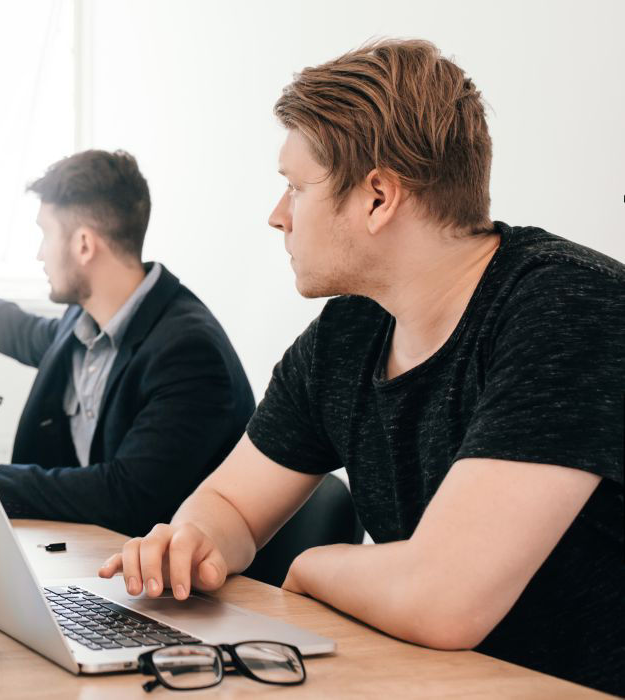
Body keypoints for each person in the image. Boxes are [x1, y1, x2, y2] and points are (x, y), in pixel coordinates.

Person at [97, 39, 624, 694]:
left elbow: (443, 598)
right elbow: (231, 501)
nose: (277, 215)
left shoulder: (569, 309)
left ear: (378, 197)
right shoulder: (350, 332)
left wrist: (314, 566)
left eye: (295, 187)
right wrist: (194, 541)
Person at [0, 150, 255, 537]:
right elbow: (15, 329)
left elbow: (129, 496)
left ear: (84, 245)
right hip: (95, 555)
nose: (39, 254)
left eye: (45, 233)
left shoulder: (187, 352)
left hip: (179, 587)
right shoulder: (84, 321)